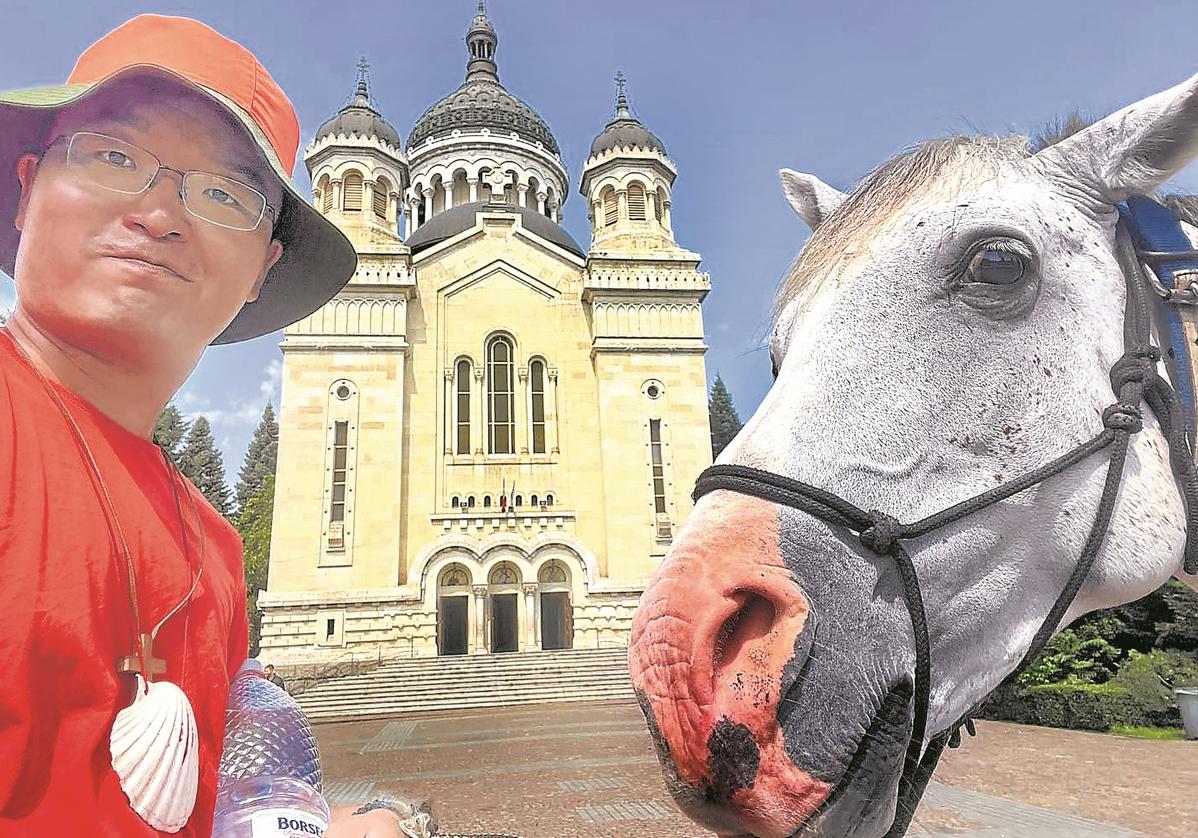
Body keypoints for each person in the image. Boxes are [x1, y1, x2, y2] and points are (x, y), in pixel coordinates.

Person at [0, 15, 404, 838]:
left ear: (263, 270)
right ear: (28, 186)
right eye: (114, 156)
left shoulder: (213, 553)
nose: (158, 213)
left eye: (222, 193)